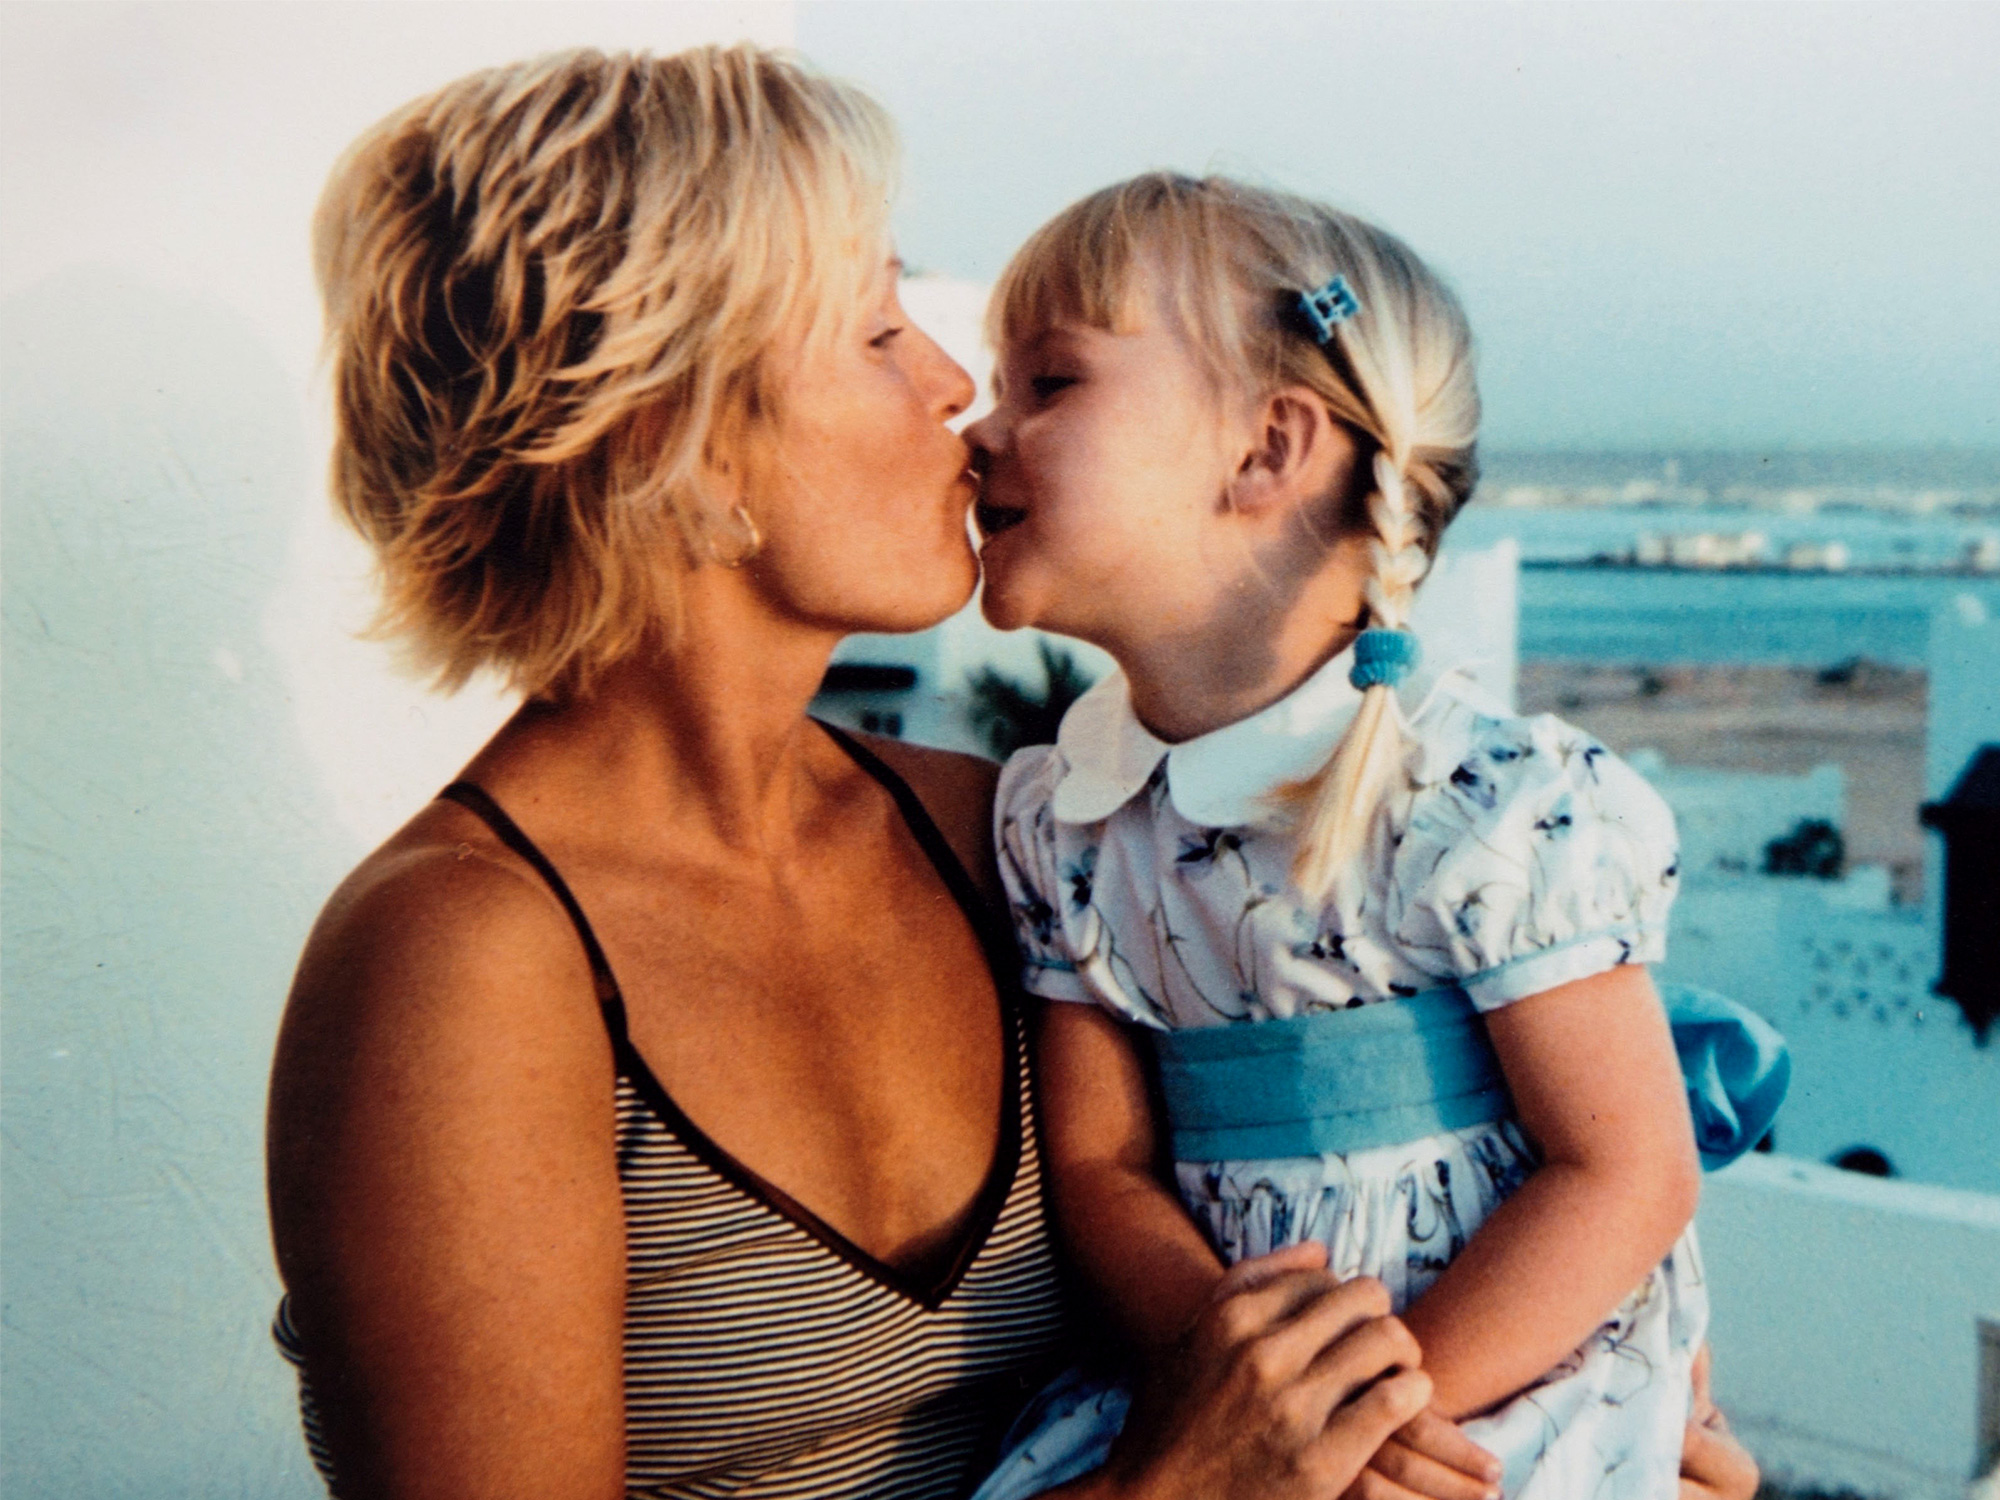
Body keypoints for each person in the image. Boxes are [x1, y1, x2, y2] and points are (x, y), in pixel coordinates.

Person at [265, 46, 1486, 1500]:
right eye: (876, 331)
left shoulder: (1004, 833)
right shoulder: (454, 962)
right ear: (678, 438)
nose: (955, 388)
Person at [966, 173, 1762, 1497]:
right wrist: (1257, 1407)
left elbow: (1623, 1171)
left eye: (1047, 383)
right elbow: (1103, 1168)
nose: (979, 428)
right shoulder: (1067, 819)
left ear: (1268, 449)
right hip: (1230, 1403)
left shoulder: (1485, 799)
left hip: (1486, 1394)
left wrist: (1383, 1426)